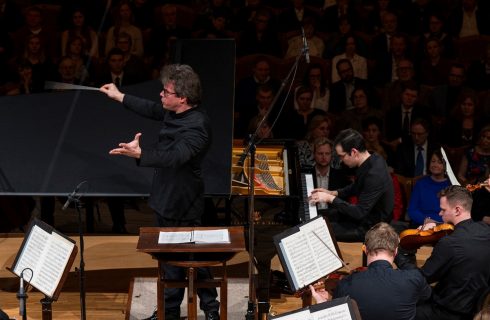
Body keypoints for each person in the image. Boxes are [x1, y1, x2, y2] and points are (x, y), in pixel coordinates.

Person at [99, 64, 220, 320]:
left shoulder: (197, 126)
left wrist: (140, 153)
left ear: (183, 98)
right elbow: (152, 109)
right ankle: (170, 311)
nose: (161, 95)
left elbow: (175, 157)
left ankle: (210, 310)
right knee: (169, 260)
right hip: (166, 195)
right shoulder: (174, 111)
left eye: (166, 92)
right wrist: (119, 96)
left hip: (183, 201)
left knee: (192, 261)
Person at [310, 222, 431, 320]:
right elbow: (426, 296)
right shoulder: (414, 278)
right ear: (395, 252)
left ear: (365, 250)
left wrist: (324, 305)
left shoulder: (345, 284)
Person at [406, 185, 490, 320]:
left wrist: (405, 253)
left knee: (401, 309)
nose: (439, 213)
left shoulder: (449, 243)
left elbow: (422, 278)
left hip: (447, 312)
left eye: (443, 209)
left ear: (457, 210)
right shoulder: (486, 230)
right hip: (476, 309)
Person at [309, 129, 394, 241]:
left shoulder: (374, 174)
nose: (340, 160)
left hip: (373, 227)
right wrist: (333, 193)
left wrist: (329, 198)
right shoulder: (373, 158)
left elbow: (359, 212)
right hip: (364, 218)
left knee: (318, 230)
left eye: (342, 156)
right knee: (320, 216)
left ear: (354, 152)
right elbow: (356, 186)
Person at [407, 149, 451, 226]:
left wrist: (438, 223)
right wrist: (426, 220)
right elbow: (412, 210)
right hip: (422, 225)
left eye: (440, 162)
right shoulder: (420, 184)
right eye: (433, 161)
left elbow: (453, 213)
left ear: (445, 165)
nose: (435, 165)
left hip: (444, 227)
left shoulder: (451, 186)